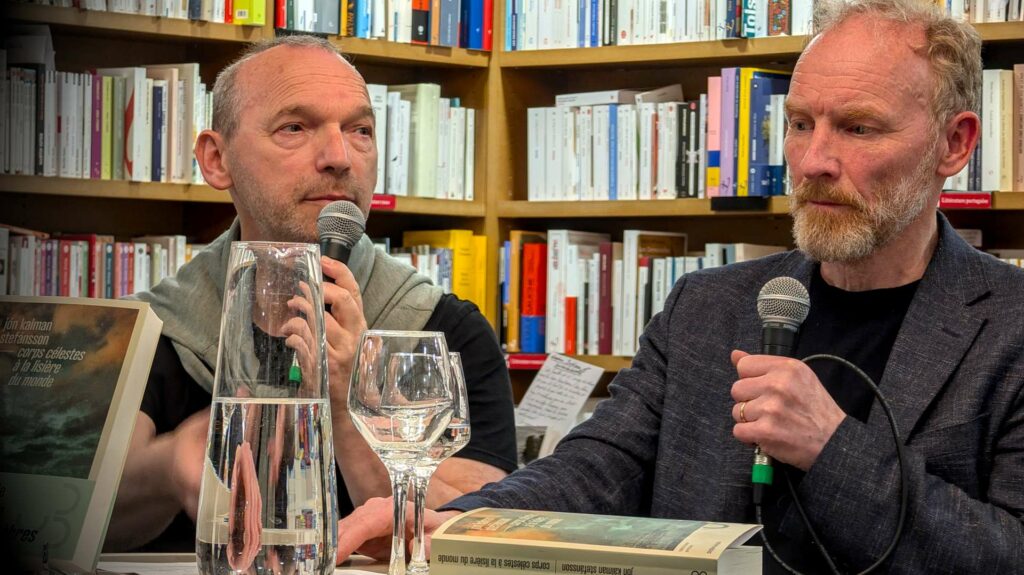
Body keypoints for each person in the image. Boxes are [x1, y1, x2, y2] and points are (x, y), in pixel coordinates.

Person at [334, 1, 1024, 572]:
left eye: (858, 128)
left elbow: (1007, 550)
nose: (813, 160)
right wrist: (459, 521)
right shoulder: (708, 307)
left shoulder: (1010, 327)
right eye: (799, 124)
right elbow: (599, 467)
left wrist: (833, 446)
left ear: (955, 144)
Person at [104, 35, 518, 551]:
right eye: (294, 128)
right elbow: (79, 518)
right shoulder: (155, 328)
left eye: (360, 130)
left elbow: (477, 535)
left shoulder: (440, 331)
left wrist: (349, 404)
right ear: (216, 159)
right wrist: (170, 464)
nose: (339, 157)